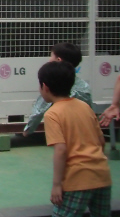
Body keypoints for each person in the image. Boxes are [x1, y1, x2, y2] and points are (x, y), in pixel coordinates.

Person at [38, 61, 112, 216]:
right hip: (102, 175)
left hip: (77, 179)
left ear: (45, 87)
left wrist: (57, 185)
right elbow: (101, 141)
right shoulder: (84, 106)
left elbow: (60, 150)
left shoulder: (52, 114)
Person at [24, 43, 92, 136]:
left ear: (58, 60)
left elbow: (40, 109)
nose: (49, 59)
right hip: (85, 133)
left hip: (65, 134)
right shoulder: (84, 87)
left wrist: (28, 129)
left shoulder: (53, 84)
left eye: (51, 56)